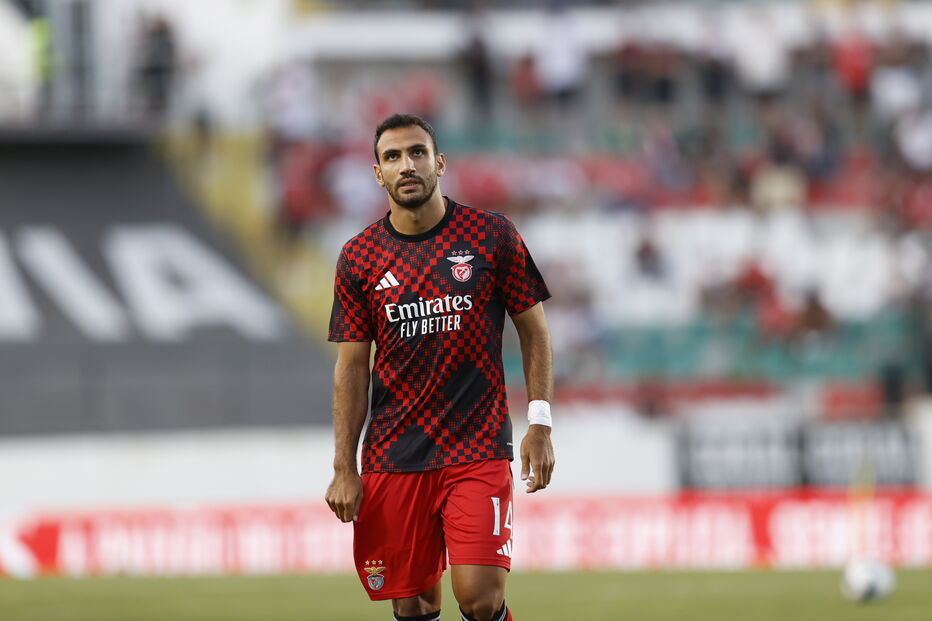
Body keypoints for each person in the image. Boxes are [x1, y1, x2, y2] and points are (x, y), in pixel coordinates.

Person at [325, 113, 555, 621]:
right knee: (414, 604)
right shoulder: (359, 258)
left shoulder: (492, 235)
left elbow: (534, 332)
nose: (406, 165)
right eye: (392, 157)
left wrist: (539, 420)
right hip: (393, 452)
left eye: (417, 153)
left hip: (476, 445)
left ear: (439, 163)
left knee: (479, 597)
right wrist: (344, 466)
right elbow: (351, 368)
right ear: (377, 174)